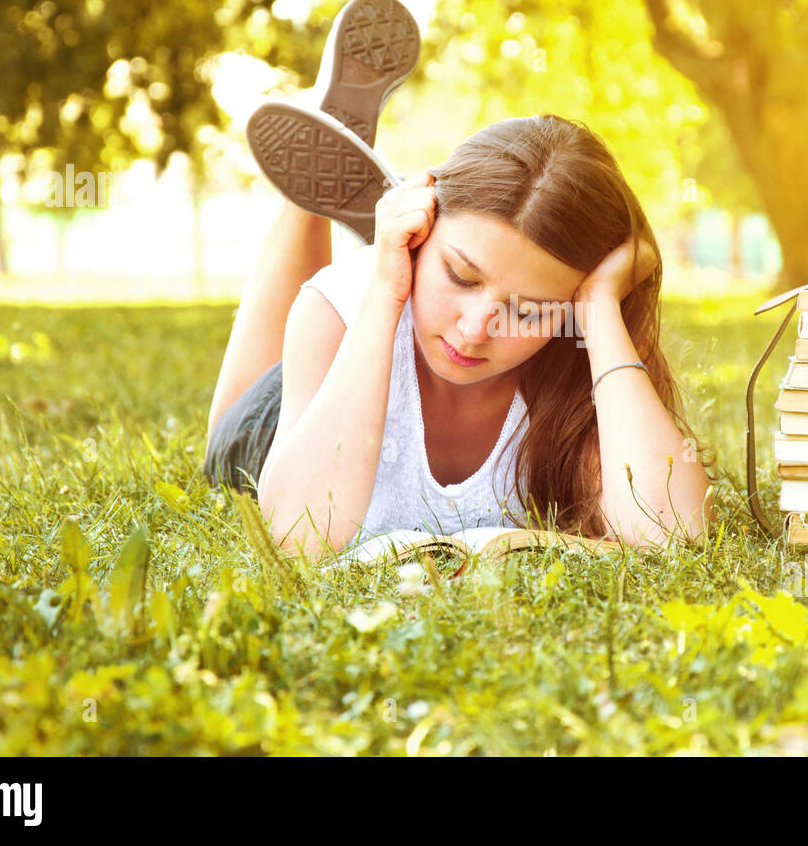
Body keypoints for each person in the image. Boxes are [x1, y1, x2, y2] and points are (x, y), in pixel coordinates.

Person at [206, 109, 713, 560]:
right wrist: (385, 290)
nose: (474, 332)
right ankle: (314, 162)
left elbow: (673, 533)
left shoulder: (583, 351)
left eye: (529, 312)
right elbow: (297, 537)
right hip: (308, 408)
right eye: (460, 276)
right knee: (226, 432)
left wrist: (601, 306)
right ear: (423, 239)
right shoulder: (339, 307)